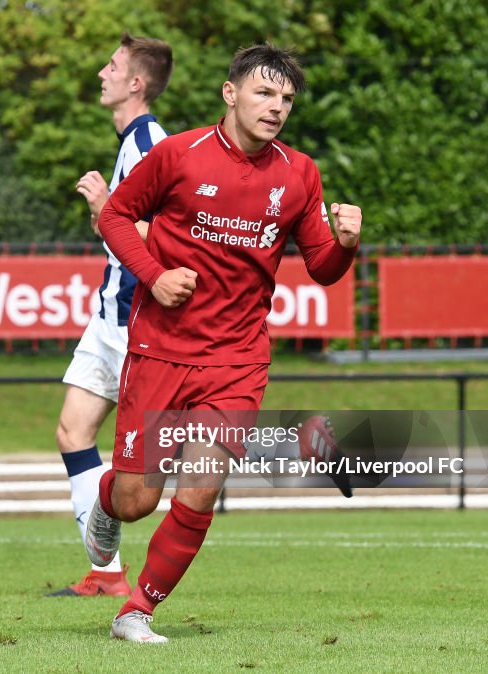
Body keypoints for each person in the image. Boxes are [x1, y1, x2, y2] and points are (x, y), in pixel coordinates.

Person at [85, 44, 363, 642]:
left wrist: (344, 243)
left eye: (287, 99)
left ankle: (136, 611)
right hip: (160, 350)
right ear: (230, 92)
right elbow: (114, 218)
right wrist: (155, 278)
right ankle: (104, 506)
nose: (277, 108)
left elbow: (322, 266)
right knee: (137, 499)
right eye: (265, 93)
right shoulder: (177, 154)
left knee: (202, 488)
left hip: (238, 359)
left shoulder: (300, 172)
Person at [48, 32, 174, 598]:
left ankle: (143, 571)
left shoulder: (150, 143)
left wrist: (103, 208)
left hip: (136, 323)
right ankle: (104, 572)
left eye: (114, 65)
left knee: (138, 474)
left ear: (136, 83)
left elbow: (164, 238)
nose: (102, 72)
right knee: (72, 431)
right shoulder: (129, 142)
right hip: (108, 314)